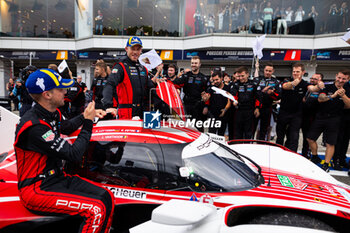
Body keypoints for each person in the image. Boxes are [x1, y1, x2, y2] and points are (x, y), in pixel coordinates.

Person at [14, 68, 114, 233]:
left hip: (57, 179)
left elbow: (67, 127)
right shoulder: (34, 126)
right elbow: (74, 154)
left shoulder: (52, 113)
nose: (65, 92)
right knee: (96, 210)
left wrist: (89, 114)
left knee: (107, 196)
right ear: (47, 95)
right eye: (61, 89)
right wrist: (88, 123)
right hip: (36, 189)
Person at [102, 36, 159, 119]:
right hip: (126, 113)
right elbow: (109, 84)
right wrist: (109, 106)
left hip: (144, 112)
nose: (135, 52)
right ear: (126, 49)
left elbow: (151, 89)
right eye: (132, 49)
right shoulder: (120, 67)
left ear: (141, 50)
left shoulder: (143, 69)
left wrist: (165, 94)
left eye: (138, 49)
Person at [307, 70, 350, 172]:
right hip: (321, 116)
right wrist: (333, 95)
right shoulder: (327, 85)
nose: (340, 80)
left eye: (344, 79)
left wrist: (343, 95)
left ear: (347, 79)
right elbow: (320, 99)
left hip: (335, 118)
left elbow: (348, 106)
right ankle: (315, 156)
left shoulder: (347, 88)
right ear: (336, 76)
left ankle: (326, 164)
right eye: (339, 77)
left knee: (330, 143)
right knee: (310, 138)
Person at [276, 63, 320, 152]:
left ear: (303, 72)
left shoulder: (305, 84)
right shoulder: (286, 80)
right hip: (283, 113)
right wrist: (292, 83)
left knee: (294, 137)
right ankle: (278, 154)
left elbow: (312, 88)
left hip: (296, 115)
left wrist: (318, 86)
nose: (295, 73)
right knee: (280, 136)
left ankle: (292, 155)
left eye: (297, 71)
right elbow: (285, 86)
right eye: (294, 71)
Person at [172, 56, 208, 127]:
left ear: (199, 64)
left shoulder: (204, 78)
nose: (193, 65)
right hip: (187, 105)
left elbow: (207, 92)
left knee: (198, 127)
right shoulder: (186, 75)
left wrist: (206, 105)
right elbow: (175, 83)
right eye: (192, 63)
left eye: (195, 63)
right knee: (186, 126)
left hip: (198, 105)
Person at [230, 66, 261, 139]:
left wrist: (257, 108)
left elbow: (259, 97)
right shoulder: (235, 84)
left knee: (249, 133)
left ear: (247, 74)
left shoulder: (254, 84)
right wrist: (234, 101)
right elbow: (233, 95)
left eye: (242, 76)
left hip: (250, 112)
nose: (240, 78)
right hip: (239, 111)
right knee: (237, 133)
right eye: (239, 76)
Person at [255, 63, 281, 141]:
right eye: (266, 70)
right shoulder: (258, 79)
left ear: (273, 71)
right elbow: (254, 93)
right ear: (264, 70)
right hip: (255, 108)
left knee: (264, 129)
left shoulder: (276, 82)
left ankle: (262, 145)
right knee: (252, 129)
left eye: (270, 71)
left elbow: (279, 96)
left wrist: (272, 93)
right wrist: (263, 91)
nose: (267, 72)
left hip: (267, 108)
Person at [203, 70, 231, 136]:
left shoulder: (227, 88)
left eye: (217, 79)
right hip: (212, 115)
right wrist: (204, 98)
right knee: (211, 135)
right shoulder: (211, 88)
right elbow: (207, 97)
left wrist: (225, 110)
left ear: (221, 78)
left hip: (223, 115)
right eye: (213, 80)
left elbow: (229, 101)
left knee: (221, 135)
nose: (215, 82)